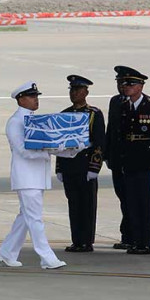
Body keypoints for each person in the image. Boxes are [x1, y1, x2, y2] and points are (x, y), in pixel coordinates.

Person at [0, 81, 71, 268]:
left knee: (25, 218)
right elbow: (23, 151)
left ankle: (7, 252)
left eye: (36, 96)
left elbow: (47, 145)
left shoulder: (35, 121)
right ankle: (47, 258)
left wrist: (68, 150)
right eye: (31, 96)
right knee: (35, 219)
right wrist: (49, 152)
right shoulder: (15, 122)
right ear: (21, 99)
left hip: (36, 178)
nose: (36, 99)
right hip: (26, 178)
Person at [104, 67, 150, 255]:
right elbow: (119, 134)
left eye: (131, 84)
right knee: (132, 203)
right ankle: (137, 241)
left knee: (146, 204)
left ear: (140, 86)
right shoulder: (124, 107)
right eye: (125, 84)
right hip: (129, 161)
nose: (126, 87)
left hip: (146, 161)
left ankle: (148, 242)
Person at [56, 76, 105, 253]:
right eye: (72, 90)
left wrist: (94, 167)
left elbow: (99, 142)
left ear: (86, 92)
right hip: (70, 167)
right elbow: (59, 143)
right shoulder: (64, 114)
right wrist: (59, 168)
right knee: (74, 204)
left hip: (85, 166)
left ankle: (86, 241)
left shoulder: (94, 114)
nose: (74, 93)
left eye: (78, 90)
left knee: (87, 205)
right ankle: (76, 240)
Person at [105, 86, 130, 249]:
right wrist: (106, 154)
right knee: (122, 197)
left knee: (132, 199)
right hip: (116, 159)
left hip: (132, 160)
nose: (122, 86)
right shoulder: (115, 101)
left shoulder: (142, 103)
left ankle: (131, 234)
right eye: (120, 82)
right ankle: (126, 234)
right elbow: (111, 129)